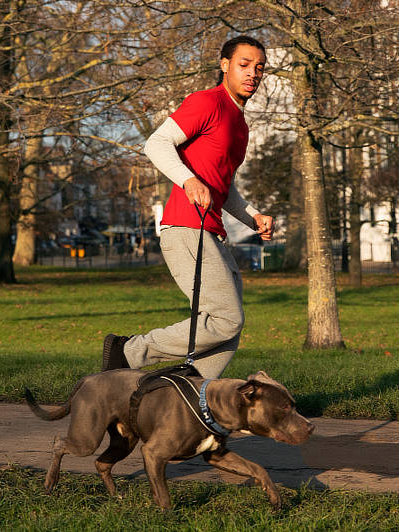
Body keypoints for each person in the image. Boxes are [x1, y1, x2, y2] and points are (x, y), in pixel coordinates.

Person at [102, 35, 274, 379]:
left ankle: (188, 394)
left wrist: (253, 215)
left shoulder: (240, 123)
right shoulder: (207, 102)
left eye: (259, 68)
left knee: (228, 326)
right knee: (226, 318)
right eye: (244, 65)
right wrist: (188, 180)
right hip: (185, 227)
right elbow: (157, 143)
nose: (252, 73)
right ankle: (128, 351)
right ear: (224, 65)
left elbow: (224, 186)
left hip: (212, 231)